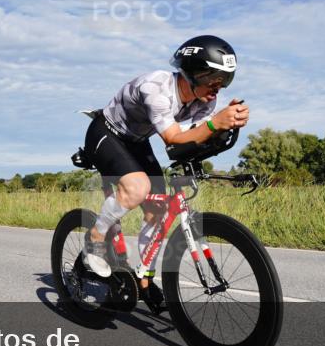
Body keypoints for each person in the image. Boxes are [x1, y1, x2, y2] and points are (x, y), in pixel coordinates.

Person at [80, 35, 250, 304]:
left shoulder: (205, 101)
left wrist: (223, 127)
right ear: (193, 73)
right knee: (137, 189)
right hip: (106, 132)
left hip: (136, 140)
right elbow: (172, 138)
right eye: (214, 79)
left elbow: (190, 139)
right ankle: (95, 238)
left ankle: (143, 279)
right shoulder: (156, 88)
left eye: (226, 80)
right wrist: (215, 123)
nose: (218, 88)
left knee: (157, 210)